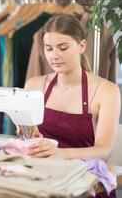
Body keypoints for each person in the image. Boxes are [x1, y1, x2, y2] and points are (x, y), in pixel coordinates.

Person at [23, 13, 120, 162]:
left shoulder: (105, 91)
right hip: (41, 171)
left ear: (82, 46)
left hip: (83, 175)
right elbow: (27, 136)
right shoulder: (34, 86)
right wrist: (27, 132)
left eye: (62, 48)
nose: (54, 56)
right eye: (49, 49)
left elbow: (104, 151)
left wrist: (61, 153)